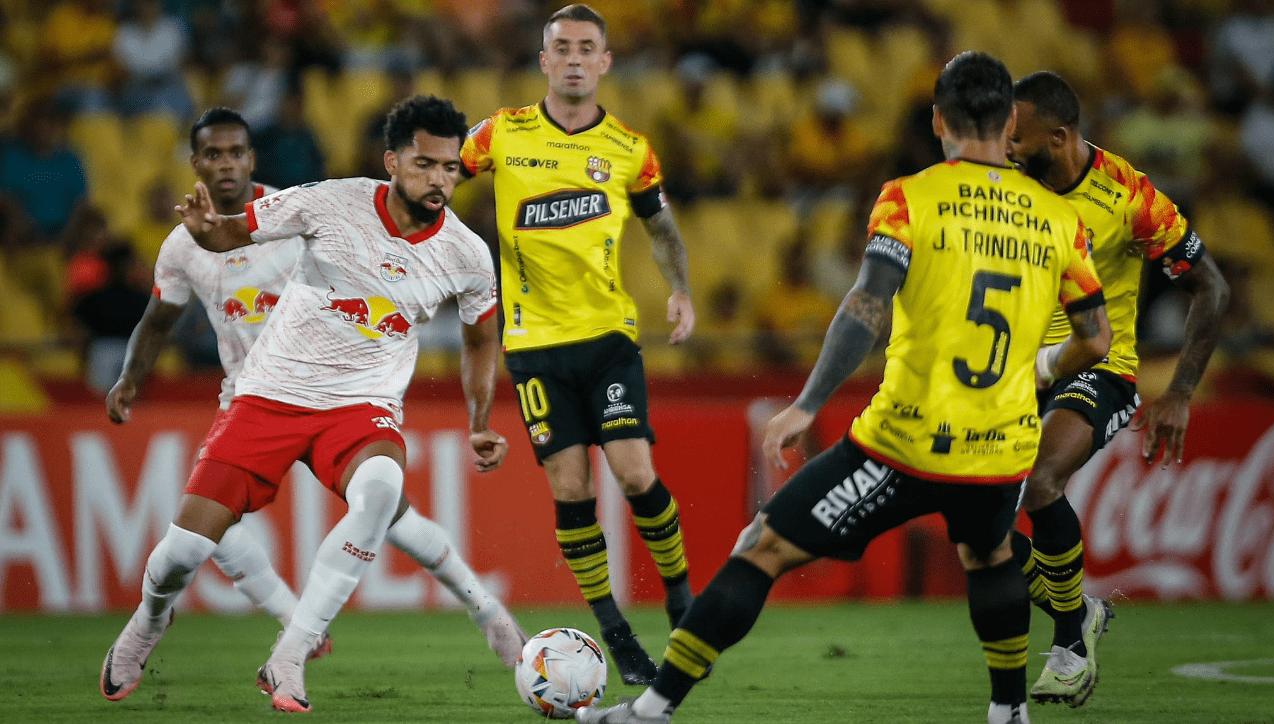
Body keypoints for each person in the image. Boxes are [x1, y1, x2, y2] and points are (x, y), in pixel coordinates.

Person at [576, 51, 1112, 724]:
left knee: (763, 545)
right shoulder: (1061, 219)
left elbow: (868, 303)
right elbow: (1096, 339)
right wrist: (1040, 369)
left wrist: (807, 403)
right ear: (1010, 123)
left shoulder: (910, 197)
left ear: (938, 120)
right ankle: (1008, 713)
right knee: (990, 552)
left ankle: (652, 709)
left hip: (905, 441)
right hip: (1001, 447)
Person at [100, 95, 511, 713]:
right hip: (269, 394)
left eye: (450, 168)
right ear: (392, 162)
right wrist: (206, 233)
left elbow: (481, 340)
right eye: (425, 164)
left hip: (361, 405)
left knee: (380, 494)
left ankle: (290, 654)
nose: (439, 179)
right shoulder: (332, 200)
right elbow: (232, 233)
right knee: (181, 554)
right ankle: (150, 619)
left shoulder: (468, 254)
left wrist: (479, 421)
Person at [458, 3, 696, 687]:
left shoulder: (629, 148)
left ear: (605, 62)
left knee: (635, 475)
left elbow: (661, 227)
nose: (573, 58)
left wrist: (680, 289)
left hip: (607, 339)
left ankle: (682, 602)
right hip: (533, 347)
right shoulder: (500, 133)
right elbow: (437, 177)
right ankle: (616, 633)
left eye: (586, 48)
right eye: (561, 47)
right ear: (543, 60)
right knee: (572, 488)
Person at [1004, 70, 1229, 706]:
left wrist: (1179, 391)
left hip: (1097, 366)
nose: (1007, 147)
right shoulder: (1004, 185)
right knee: (974, 527)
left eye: (1018, 137)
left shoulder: (1128, 196)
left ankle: (1069, 650)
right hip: (1016, 370)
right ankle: (1081, 611)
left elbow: (1210, 285)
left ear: (1060, 136)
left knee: (1041, 481)